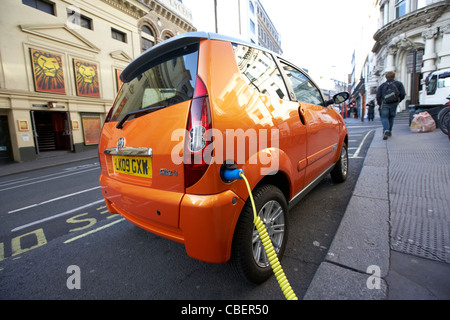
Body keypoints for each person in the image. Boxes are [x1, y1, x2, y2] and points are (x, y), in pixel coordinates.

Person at [376, 71, 406, 140]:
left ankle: (386, 129)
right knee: (391, 118)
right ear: (394, 76)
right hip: (394, 103)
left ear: (386, 77)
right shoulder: (399, 84)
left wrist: (380, 103)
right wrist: (398, 100)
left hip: (384, 104)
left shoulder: (382, 85)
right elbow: (403, 94)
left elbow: (378, 96)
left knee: (384, 118)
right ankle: (389, 132)